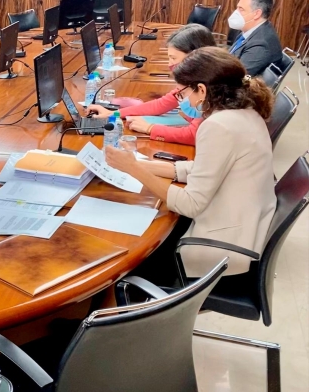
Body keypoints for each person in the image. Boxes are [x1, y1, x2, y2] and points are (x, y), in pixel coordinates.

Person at [105, 47, 276, 282]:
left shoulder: (218, 126)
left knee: (126, 255)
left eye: (185, 92)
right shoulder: (244, 111)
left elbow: (191, 204)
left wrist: (134, 170)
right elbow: (206, 169)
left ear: (202, 90)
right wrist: (138, 164)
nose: (184, 98)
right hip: (244, 228)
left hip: (221, 251)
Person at [87, 24, 216, 145]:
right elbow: (161, 104)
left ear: (194, 56)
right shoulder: (195, 79)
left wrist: (150, 128)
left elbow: (194, 135)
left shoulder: (210, 86)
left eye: (174, 58)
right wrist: (112, 114)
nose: (169, 64)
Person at [227, 0, 282, 77]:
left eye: (241, 9)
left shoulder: (260, 45)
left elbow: (236, 77)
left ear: (257, 14)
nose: (236, 12)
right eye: (237, 8)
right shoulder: (248, 31)